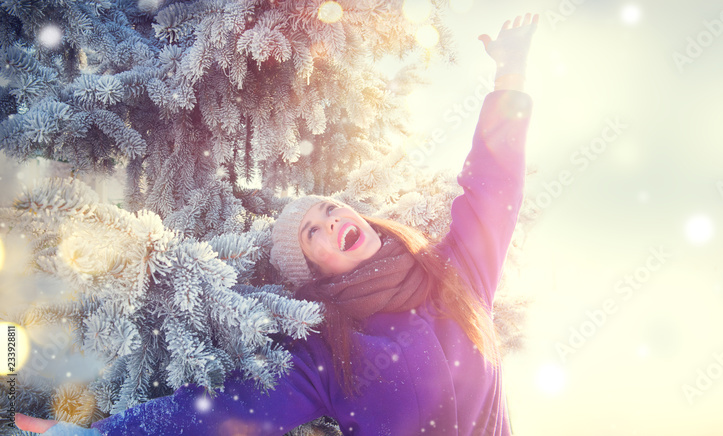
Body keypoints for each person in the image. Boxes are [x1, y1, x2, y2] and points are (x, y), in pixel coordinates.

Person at [15, 11, 538, 436]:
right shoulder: (332, 352)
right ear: (317, 275)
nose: (331, 222)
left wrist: (509, 79)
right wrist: (98, 435)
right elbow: (217, 412)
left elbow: (494, 187)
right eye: (313, 233)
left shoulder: (456, 273)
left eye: (330, 210)